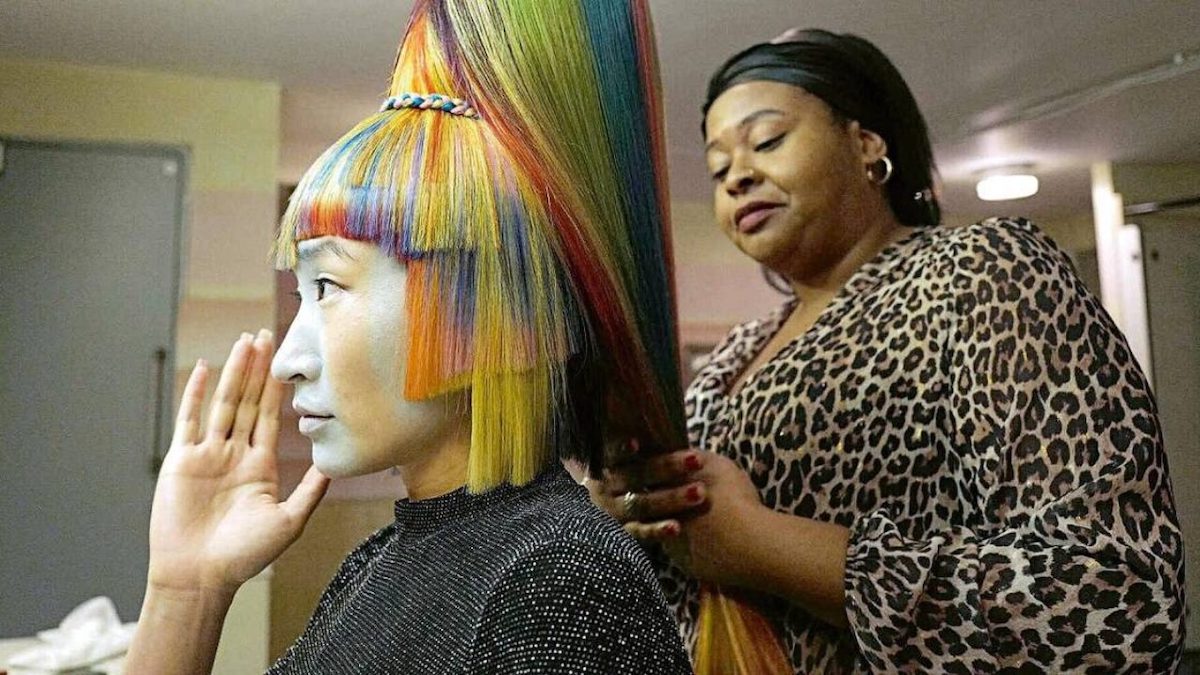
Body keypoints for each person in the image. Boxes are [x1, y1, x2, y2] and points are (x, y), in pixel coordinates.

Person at [590, 28, 1186, 673]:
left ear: (866, 143)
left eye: (767, 141)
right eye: (717, 168)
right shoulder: (735, 355)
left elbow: (1112, 598)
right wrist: (633, 519)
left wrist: (759, 544)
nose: (737, 176)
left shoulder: (979, 271)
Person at [124, 0, 694, 672]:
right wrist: (187, 588)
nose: (287, 361)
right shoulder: (379, 561)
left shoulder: (558, 585)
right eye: (300, 294)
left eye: (328, 286)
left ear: (511, 323)